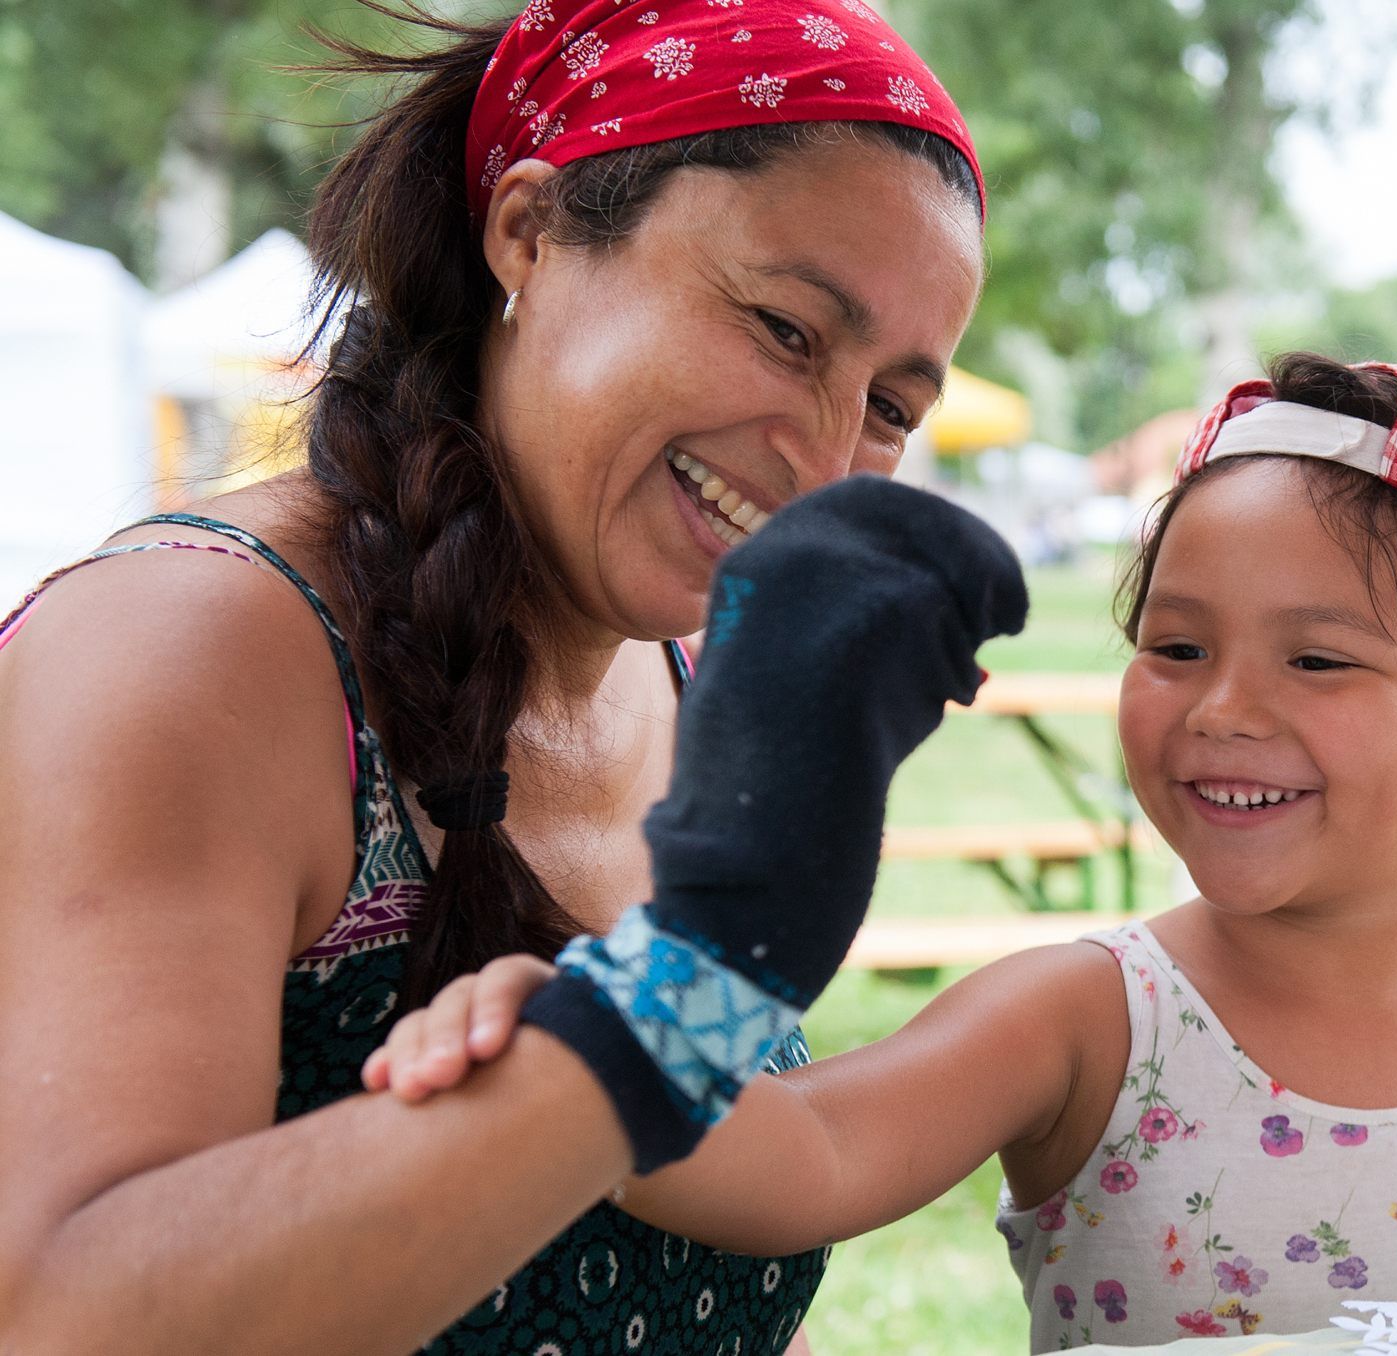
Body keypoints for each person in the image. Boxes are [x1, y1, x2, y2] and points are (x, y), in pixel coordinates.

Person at [0, 0, 1012, 1349]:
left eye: (890, 407)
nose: (826, 458)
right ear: (527, 232)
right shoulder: (196, 643)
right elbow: (58, 1310)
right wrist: (665, 1012)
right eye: (781, 327)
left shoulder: (696, 684)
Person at [366, 354, 1397, 1343]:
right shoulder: (1090, 1018)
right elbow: (800, 1158)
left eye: (1315, 658)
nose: (1221, 709)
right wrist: (589, 1045)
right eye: (1174, 647)